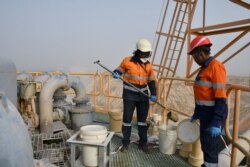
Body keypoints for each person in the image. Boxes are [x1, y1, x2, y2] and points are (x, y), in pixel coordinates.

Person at [189, 36, 228, 167]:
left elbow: (221, 98)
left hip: (213, 115)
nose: (194, 60)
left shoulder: (216, 67)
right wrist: (196, 114)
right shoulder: (204, 68)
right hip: (205, 115)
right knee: (205, 145)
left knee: (211, 149)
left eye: (194, 57)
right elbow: (202, 95)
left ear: (200, 53)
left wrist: (217, 122)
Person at [112, 38, 157, 154]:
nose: (147, 55)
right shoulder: (127, 61)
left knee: (142, 121)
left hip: (143, 96)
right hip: (129, 95)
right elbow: (119, 69)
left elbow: (151, 81)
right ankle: (125, 143)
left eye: (148, 53)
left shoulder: (148, 66)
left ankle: (143, 143)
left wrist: (154, 94)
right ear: (138, 51)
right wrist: (116, 73)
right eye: (145, 53)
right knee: (127, 120)